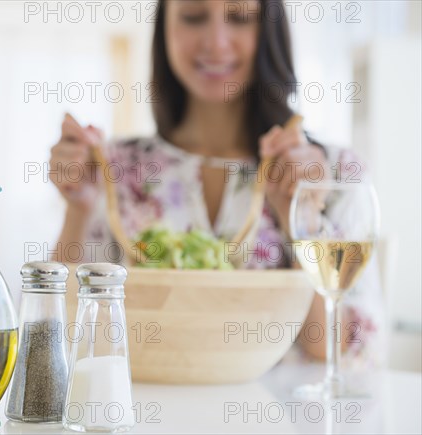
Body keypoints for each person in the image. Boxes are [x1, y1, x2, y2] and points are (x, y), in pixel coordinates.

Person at [49, 0, 384, 365]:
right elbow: (63, 337)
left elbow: (341, 353)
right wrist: (78, 210)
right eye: (193, 17)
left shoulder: (336, 173)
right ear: (165, 28)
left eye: (240, 18)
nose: (216, 42)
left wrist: (299, 217)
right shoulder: (114, 169)